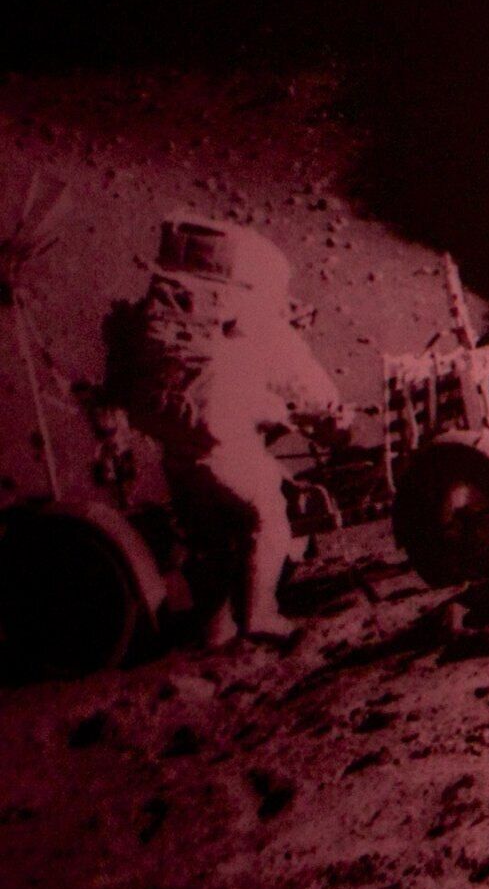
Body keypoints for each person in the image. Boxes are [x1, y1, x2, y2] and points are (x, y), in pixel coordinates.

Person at [98, 217, 343, 646]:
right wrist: (336, 417)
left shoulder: (179, 322)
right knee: (269, 519)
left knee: (215, 541)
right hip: (222, 449)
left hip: (178, 451)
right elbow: (306, 389)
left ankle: (215, 626)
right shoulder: (256, 321)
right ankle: (261, 614)